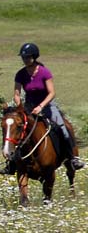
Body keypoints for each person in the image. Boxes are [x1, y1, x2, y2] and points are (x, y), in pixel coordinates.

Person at [6, 42, 83, 171]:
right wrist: (20, 107)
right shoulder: (20, 74)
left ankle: (72, 158)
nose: (25, 60)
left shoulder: (44, 72)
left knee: (63, 128)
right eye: (23, 58)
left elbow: (52, 93)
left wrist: (41, 107)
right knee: (16, 129)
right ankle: (12, 162)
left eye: (27, 57)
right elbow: (17, 93)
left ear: (34, 57)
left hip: (47, 106)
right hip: (29, 106)